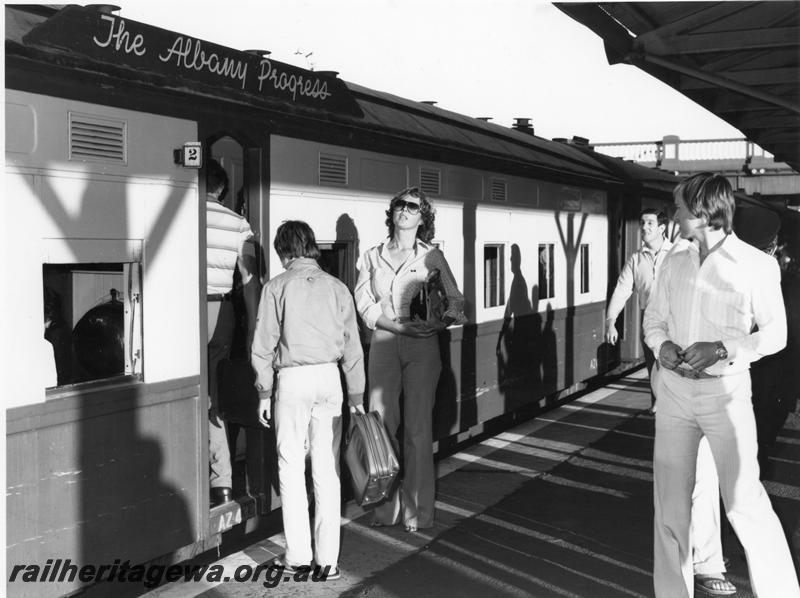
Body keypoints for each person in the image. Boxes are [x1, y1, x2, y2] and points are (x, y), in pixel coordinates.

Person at [643, 172, 799, 597]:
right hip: (675, 395)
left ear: (701, 211)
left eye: (678, 206)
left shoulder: (757, 265)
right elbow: (653, 322)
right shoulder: (673, 262)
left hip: (725, 396)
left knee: (744, 502)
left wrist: (722, 348)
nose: (672, 214)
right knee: (670, 507)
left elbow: (776, 334)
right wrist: (664, 346)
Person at [606, 210, 735, 595]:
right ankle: (686, 573)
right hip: (669, 374)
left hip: (708, 379)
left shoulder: (711, 259)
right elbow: (649, 317)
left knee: (703, 475)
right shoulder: (655, 261)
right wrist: (622, 324)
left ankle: (706, 562)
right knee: (680, 478)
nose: (646, 228)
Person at [252, 220, 365, 579]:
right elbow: (353, 345)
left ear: (283, 251)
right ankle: (328, 562)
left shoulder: (276, 287)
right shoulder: (337, 287)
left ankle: (298, 557)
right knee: (327, 472)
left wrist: (264, 392)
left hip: (294, 381)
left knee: (290, 466)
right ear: (312, 247)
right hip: (330, 380)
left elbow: (263, 345)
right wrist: (356, 394)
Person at [355, 186, 466, 532]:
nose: (404, 210)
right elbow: (363, 303)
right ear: (392, 214)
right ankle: (385, 511)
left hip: (423, 347)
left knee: (418, 430)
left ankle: (418, 512)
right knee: (383, 430)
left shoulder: (432, 257)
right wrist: (394, 325)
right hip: (385, 342)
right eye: (400, 205)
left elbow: (456, 303)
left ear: (422, 217)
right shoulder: (372, 256)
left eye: (412, 207)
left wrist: (436, 323)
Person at [205, 158, 258, 508]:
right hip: (220, 311)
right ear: (222, 189)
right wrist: (254, 329)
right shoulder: (239, 224)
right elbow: (251, 281)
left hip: (182, 310)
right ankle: (221, 482)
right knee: (214, 397)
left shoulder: (181, 216)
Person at [605, 208, 672, 410]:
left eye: (650, 223)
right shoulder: (636, 259)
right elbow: (622, 290)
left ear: (662, 227)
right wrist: (610, 322)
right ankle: (658, 412)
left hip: (675, 318)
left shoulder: (678, 254)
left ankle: (674, 413)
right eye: (642, 223)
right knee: (654, 369)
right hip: (649, 319)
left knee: (673, 370)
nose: (644, 227)